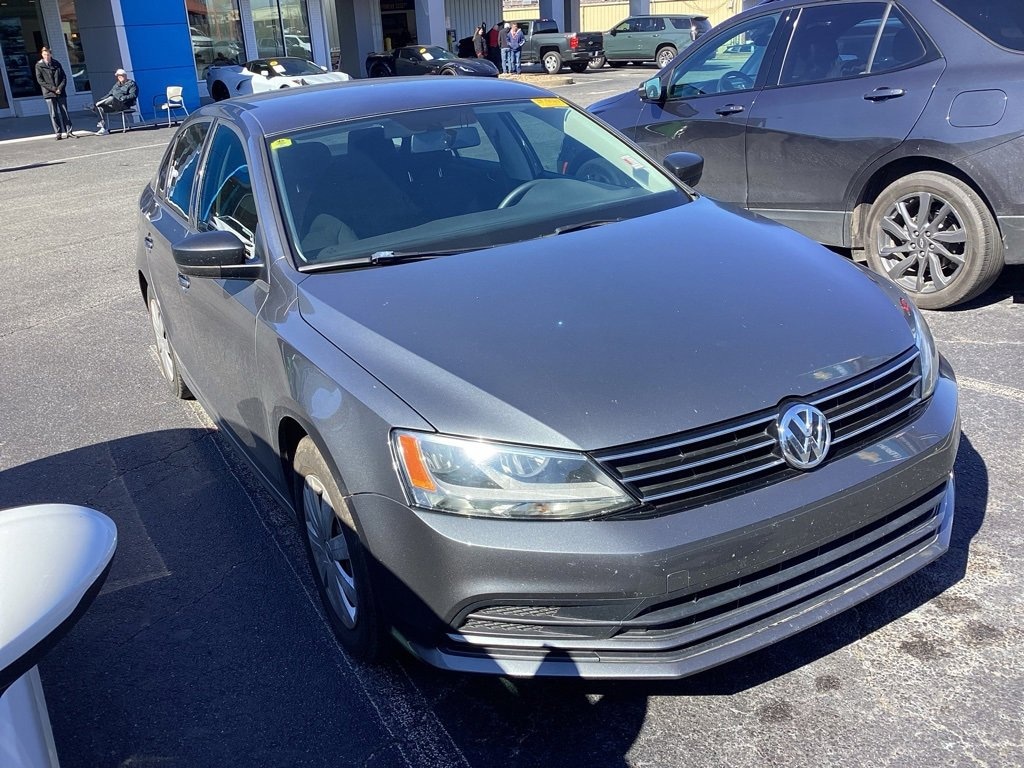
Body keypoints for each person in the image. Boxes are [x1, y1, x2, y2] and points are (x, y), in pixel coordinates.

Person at [35, 46, 74, 140]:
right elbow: (40, 80)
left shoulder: (57, 63)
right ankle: (58, 133)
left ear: (51, 54)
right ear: (42, 55)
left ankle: (69, 132)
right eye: (45, 55)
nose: (47, 56)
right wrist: (53, 89)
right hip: (49, 93)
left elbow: (64, 77)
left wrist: (59, 88)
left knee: (65, 113)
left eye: (48, 54)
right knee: (54, 114)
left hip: (60, 92)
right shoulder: (39, 66)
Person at [90, 68, 138, 135]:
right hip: (114, 105)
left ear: (125, 75)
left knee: (111, 98)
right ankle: (103, 129)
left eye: (121, 75)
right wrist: (101, 100)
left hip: (124, 104)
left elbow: (133, 95)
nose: (119, 77)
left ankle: (96, 104)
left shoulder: (131, 84)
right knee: (99, 107)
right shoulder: (116, 85)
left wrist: (122, 98)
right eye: (118, 76)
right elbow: (109, 94)